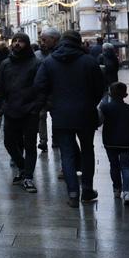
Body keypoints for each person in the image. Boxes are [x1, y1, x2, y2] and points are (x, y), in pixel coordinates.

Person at [34, 30, 107, 207]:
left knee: (66, 154)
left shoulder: (50, 62)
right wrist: (90, 102)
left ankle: (73, 193)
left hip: (61, 114)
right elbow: (100, 88)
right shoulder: (88, 61)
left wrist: (51, 104)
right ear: (79, 42)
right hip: (85, 114)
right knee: (88, 151)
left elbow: (38, 86)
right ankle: (87, 190)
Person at [0, 33, 43, 193]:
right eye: (14, 41)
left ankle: (28, 177)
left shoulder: (36, 63)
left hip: (30, 111)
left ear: (27, 44)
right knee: (8, 142)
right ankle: (23, 168)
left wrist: (37, 107)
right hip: (11, 109)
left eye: (20, 41)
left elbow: (42, 88)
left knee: (30, 145)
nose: (17, 44)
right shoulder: (5, 64)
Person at [98, 81, 129, 205]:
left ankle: (117, 189)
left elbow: (99, 122)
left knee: (114, 165)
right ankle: (128, 193)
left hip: (110, 141)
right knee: (126, 167)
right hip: (126, 142)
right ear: (125, 95)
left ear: (110, 93)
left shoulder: (105, 108)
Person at [36, 26, 61, 155]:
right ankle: (43, 140)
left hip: (54, 93)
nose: (42, 43)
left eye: (44, 40)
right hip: (42, 93)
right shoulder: (37, 56)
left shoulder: (57, 55)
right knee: (41, 117)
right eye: (41, 41)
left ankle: (55, 139)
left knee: (56, 117)